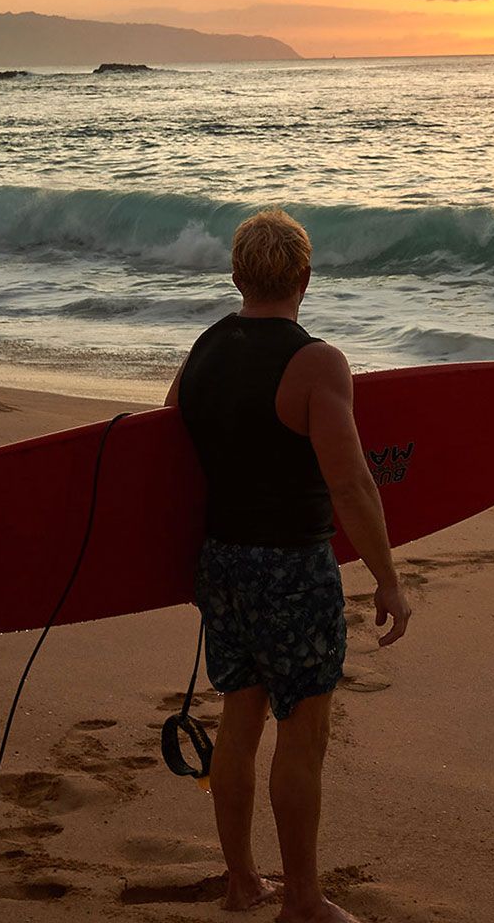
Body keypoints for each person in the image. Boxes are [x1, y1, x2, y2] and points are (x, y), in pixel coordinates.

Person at [165, 208, 412, 923]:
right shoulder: (315, 363)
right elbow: (351, 482)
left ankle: (242, 881)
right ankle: (302, 901)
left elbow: (170, 455)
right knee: (302, 731)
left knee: (240, 718)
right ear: (305, 277)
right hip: (291, 572)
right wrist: (388, 578)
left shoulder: (203, 350)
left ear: (236, 275)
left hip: (222, 566)